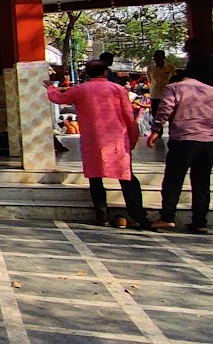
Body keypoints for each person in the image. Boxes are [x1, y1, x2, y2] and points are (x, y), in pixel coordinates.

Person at [48, 61, 151, 229]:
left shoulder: (81, 90)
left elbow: (58, 98)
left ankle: (102, 215)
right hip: (116, 138)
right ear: (105, 71)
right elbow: (128, 115)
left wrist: (51, 87)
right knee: (127, 177)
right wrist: (133, 138)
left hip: (92, 139)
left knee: (96, 179)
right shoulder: (117, 89)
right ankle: (139, 216)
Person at [147, 60, 213, 233]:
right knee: (202, 182)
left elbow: (165, 109)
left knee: (174, 179)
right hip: (210, 142)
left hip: (183, 140)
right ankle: (200, 221)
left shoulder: (174, 89)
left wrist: (156, 130)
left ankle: (167, 217)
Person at [146, 49, 176, 124]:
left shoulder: (170, 67)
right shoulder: (150, 68)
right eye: (155, 57)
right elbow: (150, 80)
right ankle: (158, 133)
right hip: (155, 95)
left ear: (163, 57)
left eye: (159, 56)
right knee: (155, 115)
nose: (157, 58)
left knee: (169, 114)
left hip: (167, 95)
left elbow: (174, 79)